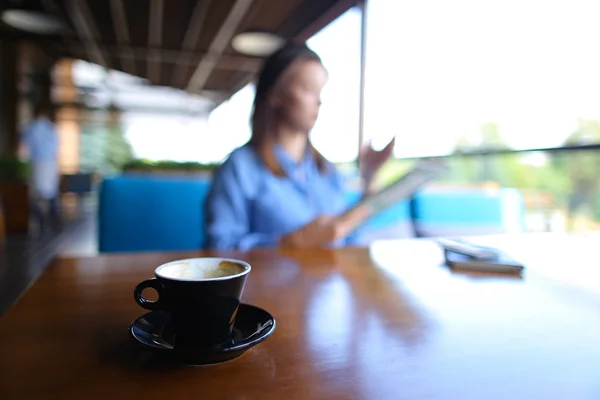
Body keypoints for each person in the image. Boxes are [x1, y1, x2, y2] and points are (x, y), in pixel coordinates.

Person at [205, 42, 394, 250]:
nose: (319, 101)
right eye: (308, 89)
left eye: (320, 91)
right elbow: (219, 249)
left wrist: (370, 176)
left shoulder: (326, 169)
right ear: (275, 94)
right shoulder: (240, 167)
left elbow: (346, 238)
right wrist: (290, 243)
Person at [20, 102, 61, 232]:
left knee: (37, 194)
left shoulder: (32, 128)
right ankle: (54, 222)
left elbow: (24, 145)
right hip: (49, 163)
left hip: (38, 163)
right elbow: (56, 147)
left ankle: (42, 221)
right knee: (50, 194)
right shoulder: (50, 128)